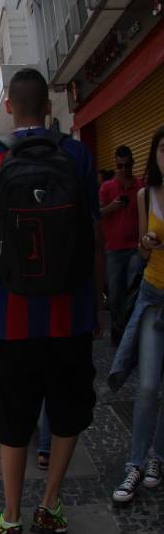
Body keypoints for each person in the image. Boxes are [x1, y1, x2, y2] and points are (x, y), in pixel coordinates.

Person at [0, 68, 102, 534]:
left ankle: (12, 515)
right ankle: (51, 504)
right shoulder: (77, 155)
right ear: (51, 107)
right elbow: (93, 236)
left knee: (12, 417)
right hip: (71, 312)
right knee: (67, 410)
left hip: (11, 318)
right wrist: (97, 304)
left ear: (9, 108)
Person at [109, 125, 164, 503]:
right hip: (153, 296)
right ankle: (135, 463)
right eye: (162, 149)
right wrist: (146, 244)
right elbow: (144, 252)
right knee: (146, 387)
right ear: (155, 155)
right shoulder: (147, 195)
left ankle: (157, 457)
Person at [99, 145, 145, 343]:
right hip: (114, 250)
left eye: (127, 165)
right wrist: (114, 205)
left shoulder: (141, 187)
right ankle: (119, 327)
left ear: (133, 163)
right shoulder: (107, 188)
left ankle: (131, 329)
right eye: (120, 166)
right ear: (116, 165)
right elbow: (98, 213)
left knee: (131, 288)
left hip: (135, 248)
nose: (124, 169)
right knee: (116, 293)